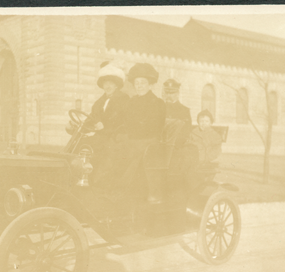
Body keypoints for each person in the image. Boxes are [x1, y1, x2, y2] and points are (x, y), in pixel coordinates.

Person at [110, 63, 166, 202]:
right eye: (137, 83)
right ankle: (108, 187)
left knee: (129, 154)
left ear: (150, 84)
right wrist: (119, 133)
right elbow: (124, 122)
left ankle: (120, 191)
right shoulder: (131, 102)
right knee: (110, 149)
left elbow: (154, 127)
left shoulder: (157, 102)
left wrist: (130, 135)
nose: (139, 85)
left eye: (143, 82)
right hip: (132, 140)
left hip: (148, 142)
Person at [66, 61, 129, 156]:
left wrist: (104, 127)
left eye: (110, 83)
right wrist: (73, 127)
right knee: (78, 143)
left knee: (87, 145)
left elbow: (123, 123)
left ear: (116, 85)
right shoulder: (98, 103)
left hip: (115, 139)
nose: (107, 87)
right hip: (100, 139)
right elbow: (90, 122)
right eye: (105, 84)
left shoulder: (123, 99)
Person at [162, 79, 192, 146]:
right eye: (167, 93)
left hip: (177, 147)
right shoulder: (159, 108)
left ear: (177, 94)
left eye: (172, 93)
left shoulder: (184, 111)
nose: (168, 95)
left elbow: (186, 132)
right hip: (160, 145)